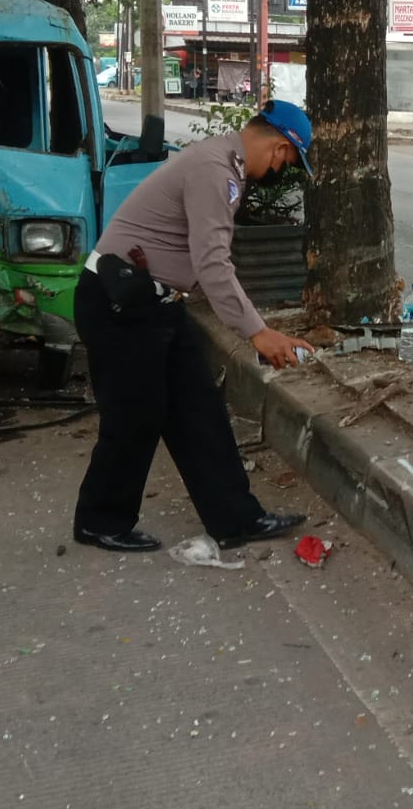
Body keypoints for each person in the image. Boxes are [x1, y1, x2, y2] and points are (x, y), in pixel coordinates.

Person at [72, 98, 317, 553]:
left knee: (199, 410)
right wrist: (257, 332)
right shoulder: (216, 171)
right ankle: (99, 521)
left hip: (156, 303)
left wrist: (257, 329)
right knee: (134, 415)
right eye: (286, 158)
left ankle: (235, 519)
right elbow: (213, 264)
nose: (281, 168)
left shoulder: (222, 162)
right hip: (119, 303)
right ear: (280, 144)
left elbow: (199, 264)